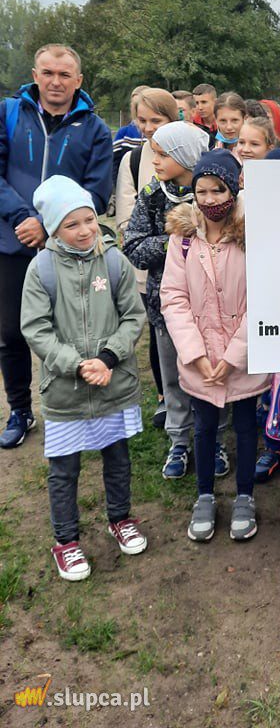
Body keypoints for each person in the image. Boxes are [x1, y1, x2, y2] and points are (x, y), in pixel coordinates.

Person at [20, 176, 147, 580]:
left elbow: (133, 316)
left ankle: (121, 518)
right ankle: (67, 541)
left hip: (112, 382)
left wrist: (108, 358)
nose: (85, 231)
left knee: (117, 457)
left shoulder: (113, 261)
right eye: (71, 224)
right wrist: (76, 364)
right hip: (66, 389)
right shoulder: (41, 270)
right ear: (54, 228)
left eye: (89, 219)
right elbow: (36, 328)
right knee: (64, 469)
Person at [0, 44, 113, 449]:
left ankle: (78, 413)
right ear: (35, 74)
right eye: (48, 73)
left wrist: (51, 229)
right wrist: (23, 219)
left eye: (65, 75)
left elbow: (98, 193)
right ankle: (20, 409)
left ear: (78, 81)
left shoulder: (96, 128)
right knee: (11, 333)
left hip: (67, 250)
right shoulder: (9, 112)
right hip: (12, 241)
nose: (55, 81)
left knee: (73, 335)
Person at [161, 150, 271, 542]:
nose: (209, 199)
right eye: (201, 191)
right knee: (204, 427)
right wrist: (194, 353)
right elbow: (173, 296)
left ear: (234, 186)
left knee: (245, 427)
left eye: (218, 190)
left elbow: (264, 297)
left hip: (241, 356)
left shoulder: (253, 233)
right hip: (200, 357)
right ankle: (204, 495)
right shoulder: (184, 238)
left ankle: (245, 496)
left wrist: (233, 355)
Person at [123, 122, 210, 478]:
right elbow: (133, 246)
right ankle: (180, 440)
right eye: (153, 153)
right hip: (166, 307)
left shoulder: (212, 193)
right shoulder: (152, 195)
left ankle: (213, 439)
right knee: (174, 375)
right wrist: (173, 241)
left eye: (162, 154)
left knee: (208, 376)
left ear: (185, 156)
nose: (154, 160)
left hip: (210, 308)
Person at [115, 88, 178, 428]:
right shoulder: (133, 160)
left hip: (189, 268)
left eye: (157, 120)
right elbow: (126, 217)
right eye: (143, 121)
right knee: (158, 333)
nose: (149, 127)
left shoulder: (187, 152)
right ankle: (164, 397)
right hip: (149, 266)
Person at [214, 92, 246, 160]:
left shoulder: (254, 154)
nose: (229, 127)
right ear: (216, 120)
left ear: (244, 119)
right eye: (223, 121)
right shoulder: (209, 152)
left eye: (234, 120)